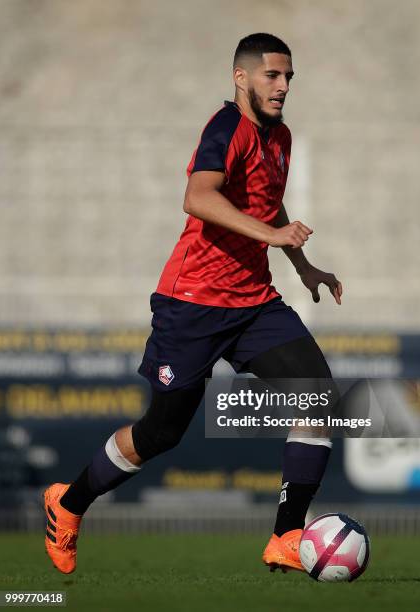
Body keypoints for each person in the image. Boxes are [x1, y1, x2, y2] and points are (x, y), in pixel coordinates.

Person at [43, 32, 342, 575]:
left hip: (253, 302)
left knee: (316, 396)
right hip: (194, 302)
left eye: (289, 77)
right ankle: (67, 504)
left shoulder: (282, 138)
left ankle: (285, 535)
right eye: (272, 75)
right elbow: (198, 197)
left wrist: (303, 266)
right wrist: (274, 239)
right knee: (161, 433)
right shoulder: (226, 126)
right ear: (241, 77)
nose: (282, 86)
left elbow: (267, 208)